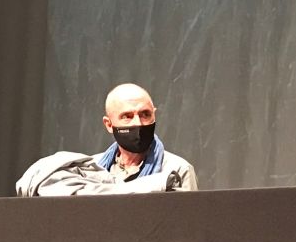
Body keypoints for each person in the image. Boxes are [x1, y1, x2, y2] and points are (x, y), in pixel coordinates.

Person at [16, 83, 198, 196]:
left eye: (145, 114)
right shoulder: (90, 169)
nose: (138, 123)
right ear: (109, 124)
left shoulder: (177, 170)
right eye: (127, 116)